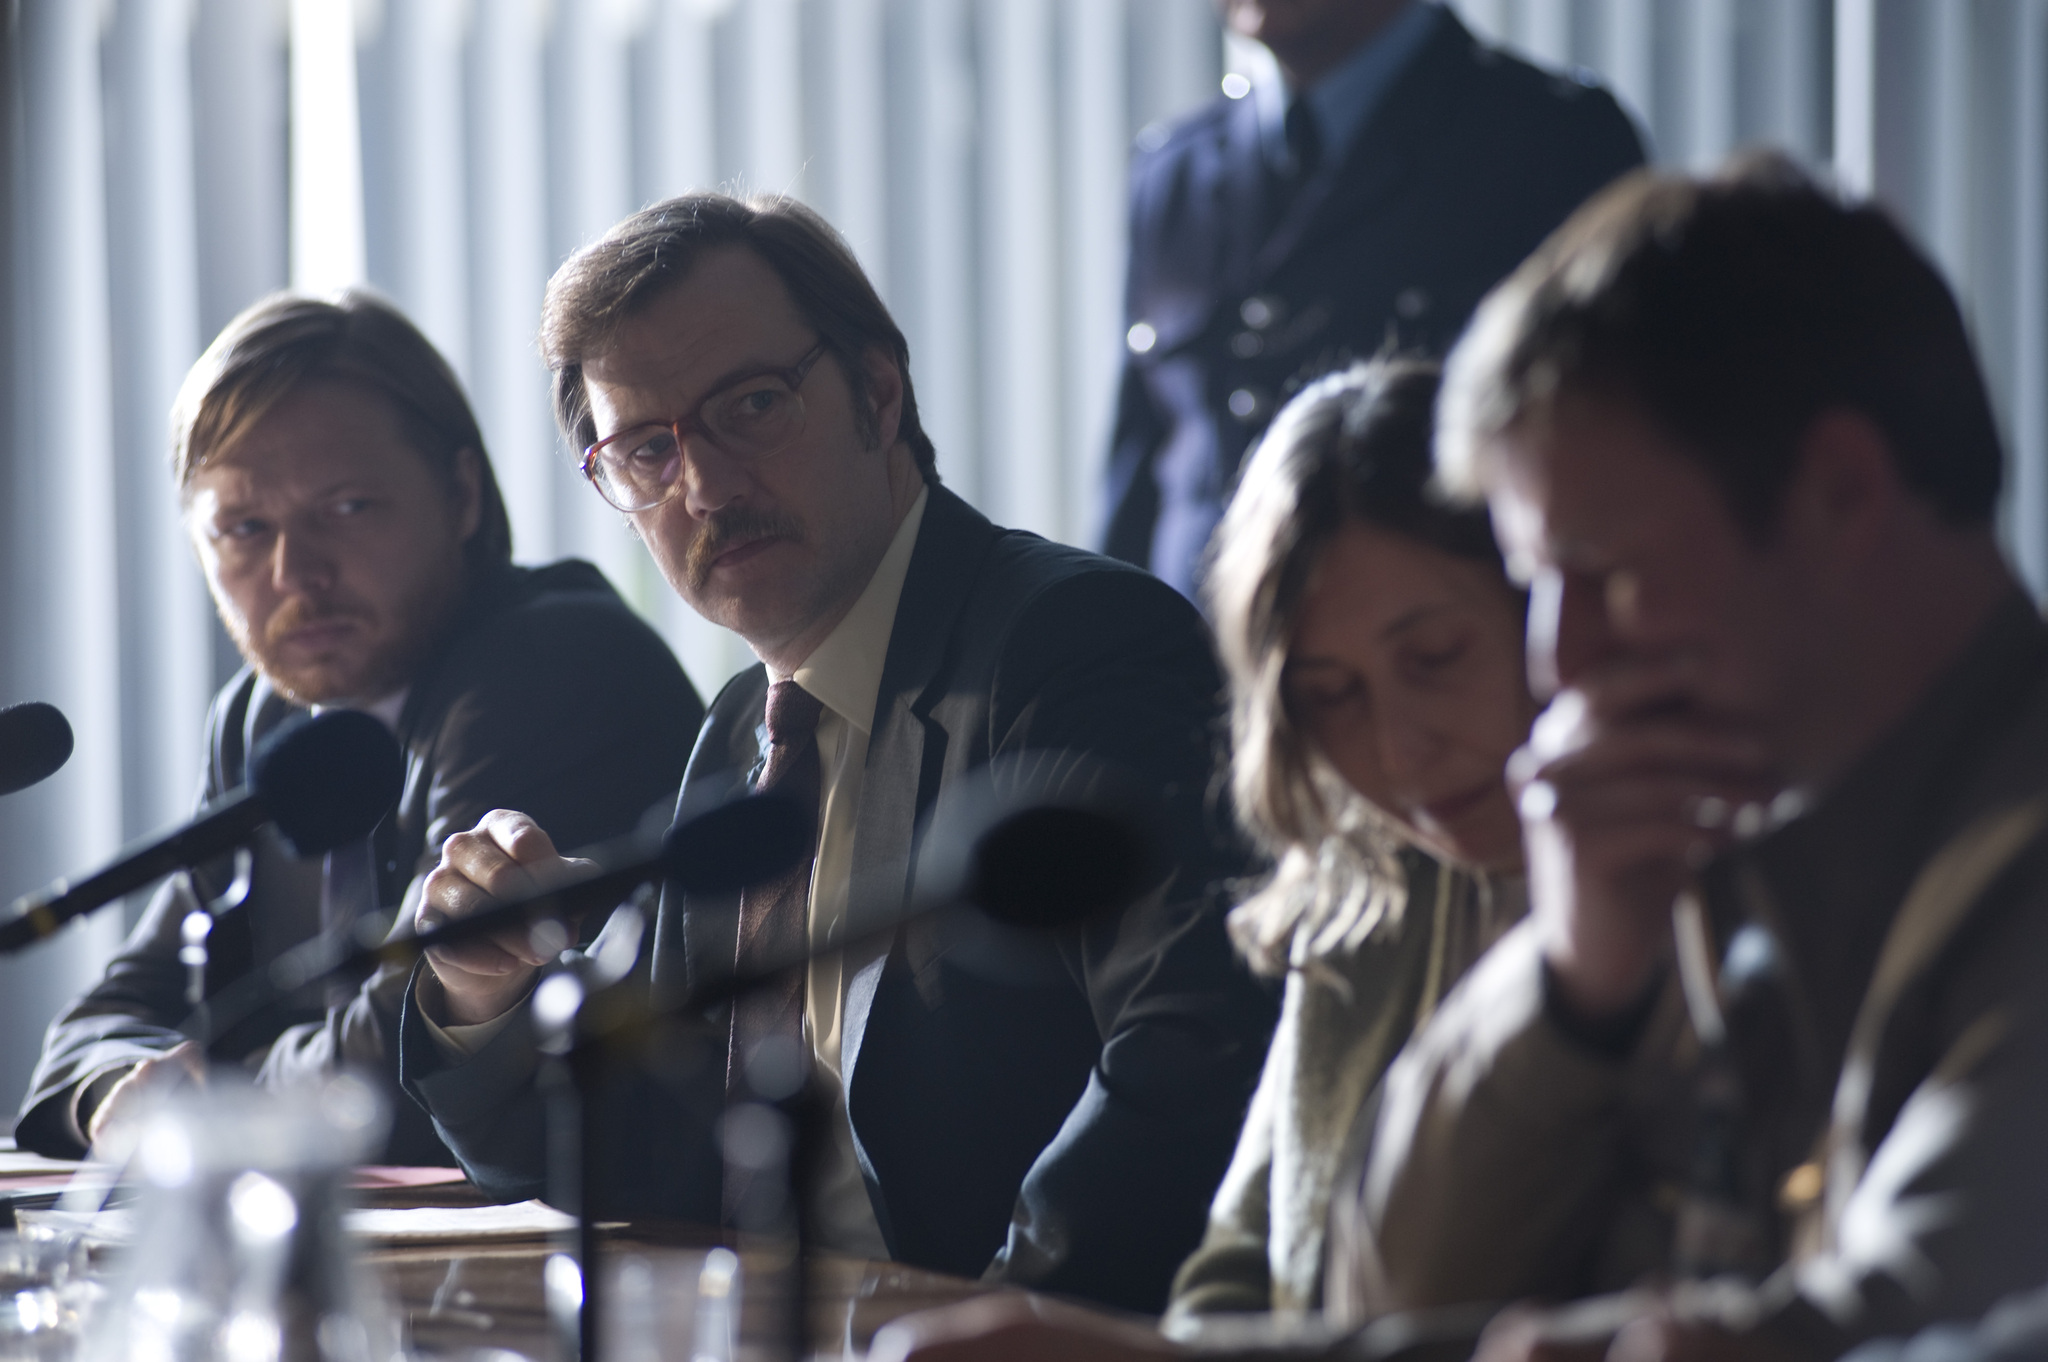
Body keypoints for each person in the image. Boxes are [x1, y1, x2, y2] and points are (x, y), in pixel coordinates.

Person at [868, 154, 2048, 1362]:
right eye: (1538, 585)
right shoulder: (1733, 844)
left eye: (1603, 571)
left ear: (1840, 495)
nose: (1561, 659)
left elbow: (1898, 1325)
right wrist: (1567, 982)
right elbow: (1386, 1286)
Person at [397, 192, 1278, 1313]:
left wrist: (997, 1329)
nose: (707, 486)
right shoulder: (740, 733)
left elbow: (1192, 1051)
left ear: (877, 390)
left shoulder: (1071, 645)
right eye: (647, 450)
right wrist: (481, 997)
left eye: (752, 405)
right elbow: (629, 1165)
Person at [14, 291, 703, 1165]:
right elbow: (105, 1020)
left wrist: (197, 1105)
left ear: (460, 495)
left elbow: (402, 1060)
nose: (295, 573)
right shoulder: (266, 717)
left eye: (346, 509)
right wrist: (114, 1095)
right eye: (243, 528)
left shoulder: (551, 665)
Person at [1166, 358, 1531, 1323]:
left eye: (1435, 659)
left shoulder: (1686, 901)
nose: (1399, 751)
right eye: (1330, 696)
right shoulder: (1363, 885)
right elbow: (1232, 1276)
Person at [1101, 0, 1645, 600]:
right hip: (1197, 643)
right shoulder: (1172, 170)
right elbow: (1139, 469)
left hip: (1430, 637)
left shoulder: (1551, 141)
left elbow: (1603, 465)